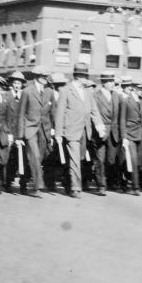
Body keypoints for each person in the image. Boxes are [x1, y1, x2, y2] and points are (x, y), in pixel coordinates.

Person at [53, 63, 103, 198]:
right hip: (71, 130)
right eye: (84, 77)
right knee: (75, 159)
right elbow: (60, 113)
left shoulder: (87, 91)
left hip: (85, 131)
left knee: (77, 159)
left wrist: (99, 125)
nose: (86, 79)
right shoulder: (65, 90)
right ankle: (76, 188)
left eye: (86, 76)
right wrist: (58, 133)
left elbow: (94, 110)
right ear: (77, 77)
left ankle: (68, 183)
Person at [16, 66, 54, 197]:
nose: (46, 79)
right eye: (44, 77)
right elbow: (20, 114)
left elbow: (52, 112)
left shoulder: (49, 91)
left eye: (47, 77)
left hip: (44, 130)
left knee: (36, 159)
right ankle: (37, 187)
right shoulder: (27, 91)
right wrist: (19, 136)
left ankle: (24, 181)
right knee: (35, 157)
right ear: (37, 77)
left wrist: (53, 130)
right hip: (30, 129)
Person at [118, 76, 142, 195]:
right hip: (130, 134)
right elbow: (122, 119)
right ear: (135, 88)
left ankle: (124, 181)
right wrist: (124, 136)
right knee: (133, 159)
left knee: (139, 162)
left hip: (140, 135)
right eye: (141, 88)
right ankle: (135, 187)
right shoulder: (126, 100)